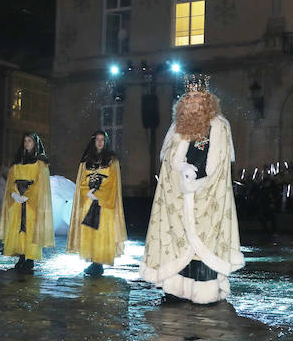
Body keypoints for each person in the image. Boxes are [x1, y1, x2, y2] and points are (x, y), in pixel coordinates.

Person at [140, 74, 243, 303]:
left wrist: (200, 179)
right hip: (179, 193)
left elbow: (220, 164)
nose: (194, 100)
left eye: (198, 96)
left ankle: (204, 292)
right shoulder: (178, 126)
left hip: (207, 195)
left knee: (204, 241)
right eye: (190, 96)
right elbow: (169, 157)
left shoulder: (219, 126)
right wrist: (181, 167)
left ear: (207, 99)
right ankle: (177, 288)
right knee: (179, 239)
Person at [66, 130, 126, 276]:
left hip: (103, 204)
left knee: (101, 232)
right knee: (90, 232)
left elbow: (112, 182)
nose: (99, 142)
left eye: (102, 140)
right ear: (93, 141)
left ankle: (99, 263)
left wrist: (98, 193)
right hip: (88, 201)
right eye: (97, 139)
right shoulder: (86, 160)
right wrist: (88, 192)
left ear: (106, 142)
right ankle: (93, 260)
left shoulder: (112, 161)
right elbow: (82, 180)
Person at [0, 133, 54, 274]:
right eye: (25, 141)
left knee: (30, 228)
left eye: (30, 141)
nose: (27, 143)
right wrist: (14, 193)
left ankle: (30, 258)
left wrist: (28, 195)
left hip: (31, 203)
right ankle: (21, 255)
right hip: (17, 201)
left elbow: (40, 183)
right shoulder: (17, 163)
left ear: (35, 143)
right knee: (18, 228)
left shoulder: (40, 163)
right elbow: (11, 180)